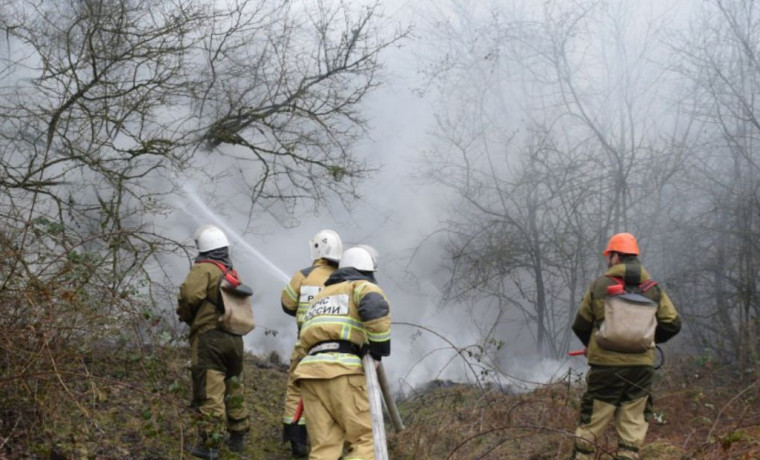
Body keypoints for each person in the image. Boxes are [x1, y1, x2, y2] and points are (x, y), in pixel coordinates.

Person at [570, 232, 681, 460]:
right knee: (632, 430)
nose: (608, 259)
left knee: (592, 424)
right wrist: (646, 338)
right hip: (640, 369)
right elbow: (673, 324)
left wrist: (592, 344)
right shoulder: (653, 288)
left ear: (616, 257)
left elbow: (580, 325)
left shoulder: (599, 286)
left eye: (610, 255)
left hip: (606, 369)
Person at [292, 245, 391, 460]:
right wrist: (377, 352)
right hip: (342, 371)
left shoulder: (320, 296)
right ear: (368, 271)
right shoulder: (361, 287)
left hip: (309, 373)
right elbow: (375, 308)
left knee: (324, 449)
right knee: (367, 440)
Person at [176, 224, 250, 459]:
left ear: (203, 247)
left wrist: (187, 317)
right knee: (234, 385)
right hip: (235, 340)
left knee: (210, 389)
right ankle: (237, 436)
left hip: (210, 338)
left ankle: (209, 445)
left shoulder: (205, 268)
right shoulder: (231, 273)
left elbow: (189, 296)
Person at [280, 229, 343, 457]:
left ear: (316, 249)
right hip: (339, 351)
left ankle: (297, 441)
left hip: (305, 347)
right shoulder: (346, 278)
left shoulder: (303, 276)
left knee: (297, 390)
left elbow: (287, 304)